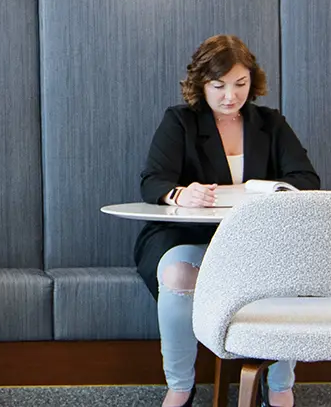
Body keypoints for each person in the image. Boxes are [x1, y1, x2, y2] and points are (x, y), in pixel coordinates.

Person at [136, 35, 321, 407]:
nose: (230, 96)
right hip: (184, 235)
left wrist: (263, 189)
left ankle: (281, 386)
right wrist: (180, 194)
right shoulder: (180, 121)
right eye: (218, 86)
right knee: (177, 273)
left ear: (253, 82)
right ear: (201, 83)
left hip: (256, 240)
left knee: (289, 272)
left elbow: (306, 179)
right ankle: (180, 387)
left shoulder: (270, 123)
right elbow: (152, 180)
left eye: (241, 84)